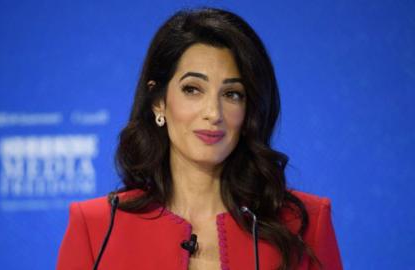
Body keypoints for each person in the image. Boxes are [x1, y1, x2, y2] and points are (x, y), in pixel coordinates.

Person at [57, 7, 342, 270]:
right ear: (158, 102)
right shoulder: (97, 228)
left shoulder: (305, 225)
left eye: (232, 94)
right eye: (193, 89)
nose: (213, 112)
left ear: (249, 111)